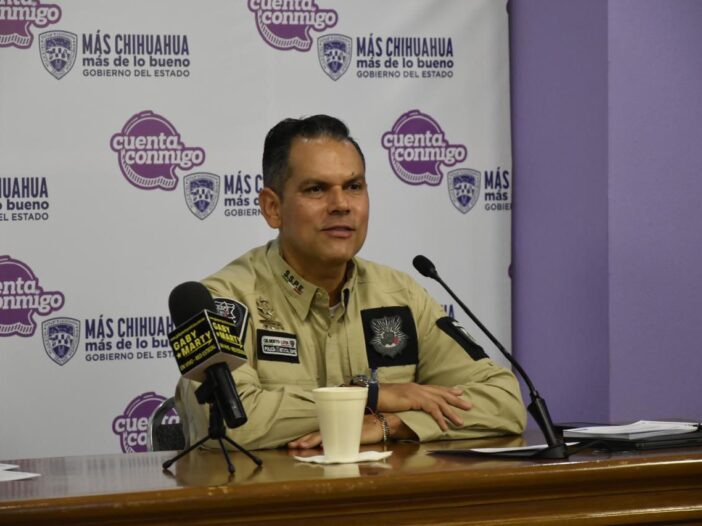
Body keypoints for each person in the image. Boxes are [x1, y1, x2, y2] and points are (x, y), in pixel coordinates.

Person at [175, 115, 526, 450]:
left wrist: (392, 424)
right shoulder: (223, 299)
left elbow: (504, 401)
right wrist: (371, 397)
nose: (341, 204)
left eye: (354, 187)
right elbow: (224, 418)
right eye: (316, 189)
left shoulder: (400, 294)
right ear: (272, 208)